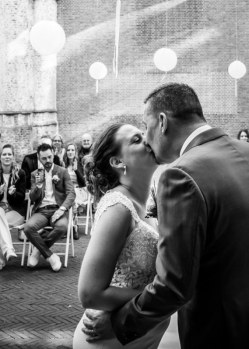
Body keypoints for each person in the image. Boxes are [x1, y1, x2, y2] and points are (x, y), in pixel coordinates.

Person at [81, 83, 249, 349]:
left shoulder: (182, 174)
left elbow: (175, 285)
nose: (147, 139)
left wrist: (119, 322)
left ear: (162, 122)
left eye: (145, 128)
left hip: (222, 332)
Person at [73, 123, 170, 349]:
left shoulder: (146, 204)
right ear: (118, 162)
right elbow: (89, 293)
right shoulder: (118, 207)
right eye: (136, 140)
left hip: (140, 331)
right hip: (108, 338)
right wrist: (157, 298)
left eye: (143, 134)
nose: (146, 139)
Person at [23, 143, 75, 272]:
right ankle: (50, 256)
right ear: (39, 158)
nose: (48, 161)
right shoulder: (35, 174)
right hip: (41, 210)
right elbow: (33, 198)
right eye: (44, 158)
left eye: (50, 157)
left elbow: (71, 193)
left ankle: (37, 251)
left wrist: (62, 209)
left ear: (53, 155)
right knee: (28, 228)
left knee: (62, 227)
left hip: (58, 209)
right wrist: (38, 187)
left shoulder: (62, 172)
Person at [0, 144, 28, 271]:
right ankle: (8, 249)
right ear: (0, 157)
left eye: (9, 154)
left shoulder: (20, 173)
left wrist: (13, 194)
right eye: (4, 154)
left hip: (14, 210)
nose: (7, 156)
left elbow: (21, 198)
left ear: (13, 156)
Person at [65, 143, 86, 240]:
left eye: (72, 150)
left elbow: (83, 183)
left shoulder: (80, 164)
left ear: (75, 152)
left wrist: (76, 170)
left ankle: (74, 227)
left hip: (78, 190)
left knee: (72, 199)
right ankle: (72, 226)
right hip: (66, 190)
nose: (70, 152)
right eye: (68, 150)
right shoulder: (62, 164)